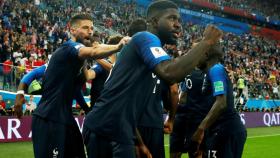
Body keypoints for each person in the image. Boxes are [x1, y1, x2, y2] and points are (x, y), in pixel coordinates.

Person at [83, 0, 223, 158]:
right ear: (155, 21)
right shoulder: (144, 37)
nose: (178, 25)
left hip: (122, 130)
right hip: (105, 128)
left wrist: (139, 142)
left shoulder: (152, 55)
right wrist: (206, 42)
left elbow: (127, 103)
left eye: (179, 20)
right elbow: (171, 74)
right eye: (172, 18)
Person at [21, 13, 129, 158]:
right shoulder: (69, 47)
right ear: (72, 30)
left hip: (66, 118)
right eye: (85, 28)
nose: (90, 31)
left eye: (91, 28)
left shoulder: (78, 60)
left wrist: (86, 108)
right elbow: (93, 51)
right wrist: (118, 46)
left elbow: (77, 87)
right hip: (49, 118)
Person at [189, 45, 247, 158]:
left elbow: (221, 103)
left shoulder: (216, 69)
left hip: (226, 130)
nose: (193, 57)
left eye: (197, 53)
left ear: (205, 54)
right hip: (220, 130)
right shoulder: (210, 73)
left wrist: (200, 131)